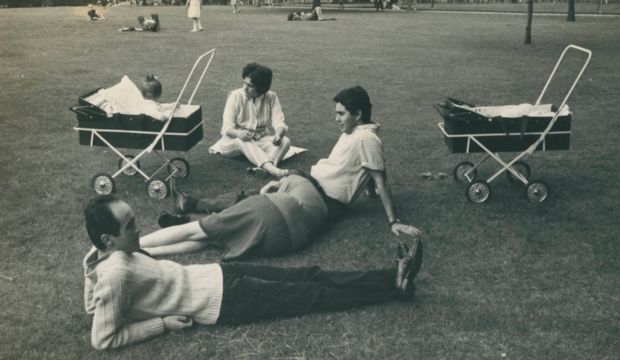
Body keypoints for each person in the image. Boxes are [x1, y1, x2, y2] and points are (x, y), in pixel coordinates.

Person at [82, 195, 424, 350]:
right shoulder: (115, 274)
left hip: (216, 274)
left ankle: (390, 274)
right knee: (312, 295)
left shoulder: (102, 260)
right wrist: (162, 324)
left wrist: (93, 273)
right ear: (109, 239)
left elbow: (93, 305)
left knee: (310, 274)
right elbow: (103, 339)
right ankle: (395, 287)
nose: (138, 230)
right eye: (130, 227)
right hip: (222, 302)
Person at [309, 86, 422, 237]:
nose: (336, 119)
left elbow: (380, 180)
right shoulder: (352, 131)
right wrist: (370, 191)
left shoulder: (367, 138)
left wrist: (393, 221)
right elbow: (367, 164)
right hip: (314, 185)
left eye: (341, 114)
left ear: (358, 115)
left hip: (328, 200)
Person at [145, 172, 328, 260]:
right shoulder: (321, 207)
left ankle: (136, 244)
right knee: (212, 238)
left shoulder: (295, 180)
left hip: (271, 212)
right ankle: (149, 252)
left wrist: (266, 189)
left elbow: (269, 191)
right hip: (286, 242)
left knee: (196, 229)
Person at [209, 63, 292, 178]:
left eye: (250, 85)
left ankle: (266, 168)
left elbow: (279, 122)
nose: (245, 88)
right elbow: (227, 128)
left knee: (285, 141)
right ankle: (275, 171)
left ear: (261, 87)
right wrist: (239, 133)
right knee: (243, 139)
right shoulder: (235, 96)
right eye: (244, 83)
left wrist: (278, 135)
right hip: (231, 143)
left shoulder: (271, 97)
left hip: (258, 139)